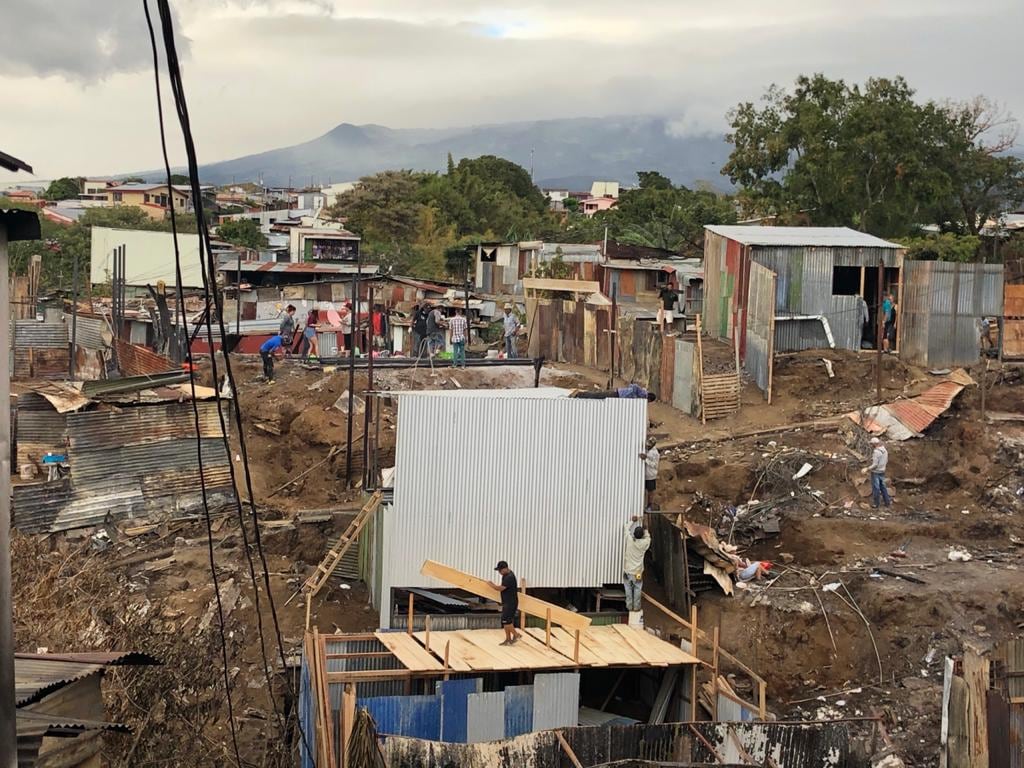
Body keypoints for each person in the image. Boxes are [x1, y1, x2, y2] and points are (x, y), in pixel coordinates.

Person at [622, 517, 651, 613]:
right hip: (638, 572)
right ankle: (636, 607)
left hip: (628, 571)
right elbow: (648, 537)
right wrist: (646, 528)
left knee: (628, 588)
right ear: (642, 535)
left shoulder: (629, 540)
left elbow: (626, 529)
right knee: (638, 588)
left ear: (634, 534)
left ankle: (629, 606)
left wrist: (632, 521)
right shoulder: (644, 543)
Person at [494, 560, 522, 645]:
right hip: (507, 602)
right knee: (505, 621)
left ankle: (517, 635)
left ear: (505, 568)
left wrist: (491, 585)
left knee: (507, 621)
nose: (499, 572)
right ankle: (508, 639)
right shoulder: (505, 575)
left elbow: (500, 588)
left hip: (511, 603)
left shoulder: (509, 577)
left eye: (500, 570)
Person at [861, 436, 892, 508]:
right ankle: (887, 502)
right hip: (882, 471)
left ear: (874, 444)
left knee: (876, 488)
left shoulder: (876, 452)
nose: (871, 445)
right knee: (883, 487)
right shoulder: (885, 450)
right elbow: (886, 461)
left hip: (876, 472)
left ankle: (876, 504)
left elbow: (875, 464)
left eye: (872, 444)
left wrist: (867, 469)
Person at [639, 437, 660, 511]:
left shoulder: (655, 453)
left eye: (649, 444)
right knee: (644, 490)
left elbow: (654, 465)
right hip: (645, 475)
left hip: (651, 475)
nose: (648, 445)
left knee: (650, 492)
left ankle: (649, 506)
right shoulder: (648, 450)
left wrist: (645, 459)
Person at [571, 383, 657, 401]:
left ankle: (580, 394)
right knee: (597, 396)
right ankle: (579, 394)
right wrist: (632, 396)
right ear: (648, 398)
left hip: (618, 394)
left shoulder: (642, 395)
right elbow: (633, 386)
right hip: (617, 395)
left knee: (598, 396)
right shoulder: (642, 394)